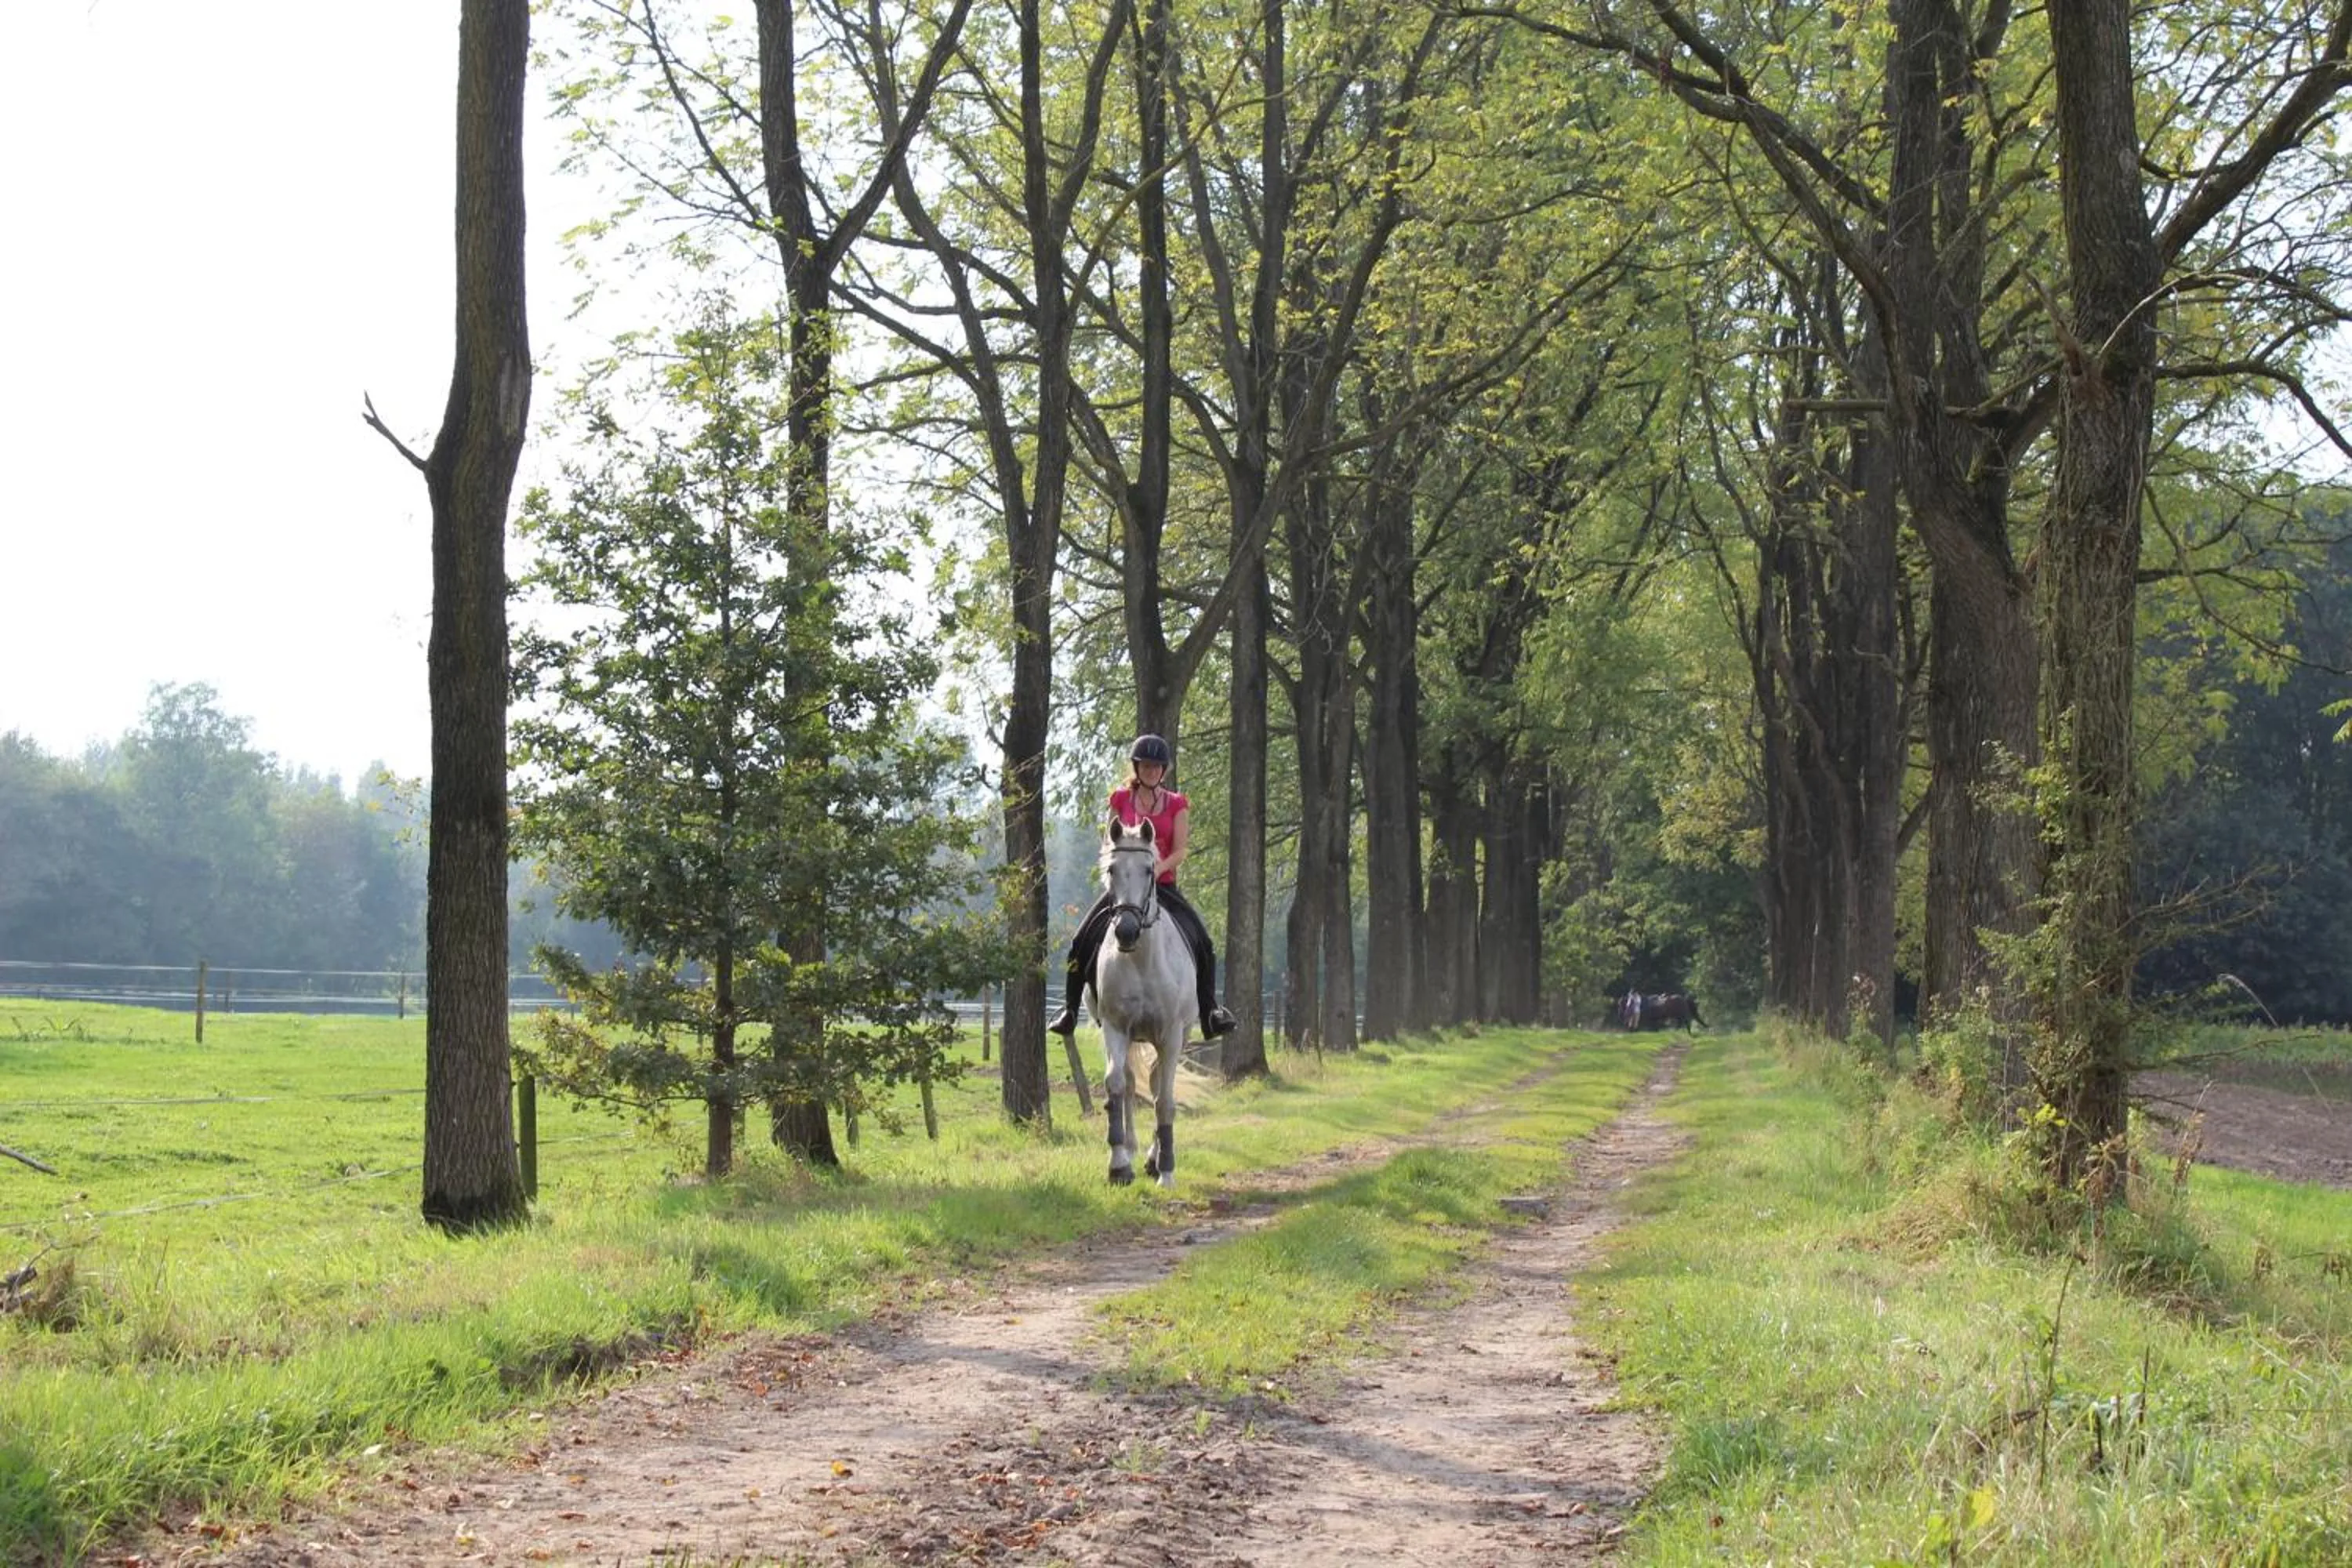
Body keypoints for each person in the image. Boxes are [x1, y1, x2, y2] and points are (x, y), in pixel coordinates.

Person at [1049, 734, 1238, 1039]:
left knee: (1203, 942)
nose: (1151, 771)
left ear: (1164, 770)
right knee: (1080, 939)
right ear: (1137, 768)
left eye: (1157, 767)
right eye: (1146, 766)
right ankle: (1069, 1009)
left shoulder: (1177, 804)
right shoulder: (1119, 800)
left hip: (1162, 885)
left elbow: (1181, 850)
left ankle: (1210, 1010)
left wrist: (1157, 870)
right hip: (1125, 890)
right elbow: (1108, 845)